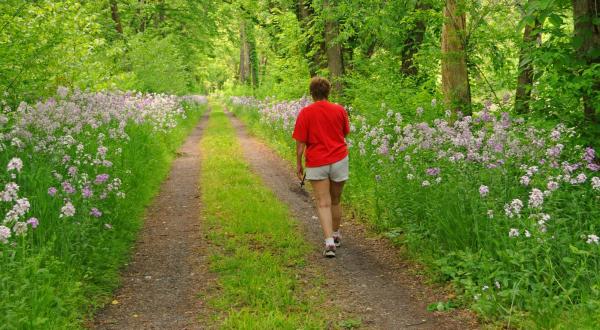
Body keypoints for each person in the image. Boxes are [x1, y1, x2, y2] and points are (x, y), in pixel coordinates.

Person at [292, 77, 350, 258]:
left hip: (317, 162)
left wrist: (299, 164)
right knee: (335, 200)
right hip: (339, 159)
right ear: (328, 92)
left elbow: (300, 144)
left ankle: (329, 243)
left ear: (312, 93)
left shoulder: (305, 113)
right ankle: (336, 234)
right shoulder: (339, 110)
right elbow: (345, 132)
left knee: (323, 202)